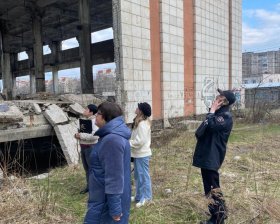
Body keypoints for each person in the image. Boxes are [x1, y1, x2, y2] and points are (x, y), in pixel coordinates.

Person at [193, 88, 236, 224]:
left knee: (213, 187)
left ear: (224, 102)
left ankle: (219, 217)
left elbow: (210, 126)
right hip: (206, 155)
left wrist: (211, 112)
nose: (216, 98)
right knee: (209, 187)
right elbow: (199, 132)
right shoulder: (216, 114)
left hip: (213, 156)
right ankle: (216, 215)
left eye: (220, 97)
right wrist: (211, 113)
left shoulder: (225, 117)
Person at [84, 102, 131, 224]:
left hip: (104, 202)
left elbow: (114, 178)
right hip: (101, 198)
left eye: (98, 114)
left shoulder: (112, 140)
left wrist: (115, 209)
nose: (95, 116)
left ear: (105, 116)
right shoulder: (111, 136)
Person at [130, 102, 152, 208]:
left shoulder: (143, 124)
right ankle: (138, 196)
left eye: (138, 108)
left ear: (141, 111)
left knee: (143, 177)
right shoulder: (138, 122)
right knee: (138, 176)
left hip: (142, 154)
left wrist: (128, 143)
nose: (136, 109)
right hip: (138, 154)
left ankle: (147, 198)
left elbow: (140, 141)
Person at [74, 104, 99, 194]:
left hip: (91, 147)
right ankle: (89, 186)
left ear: (91, 112)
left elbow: (95, 136)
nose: (84, 110)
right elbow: (79, 132)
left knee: (92, 168)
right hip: (83, 147)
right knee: (87, 169)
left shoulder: (95, 121)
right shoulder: (84, 121)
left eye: (86, 109)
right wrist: (76, 135)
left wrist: (81, 135)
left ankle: (95, 188)